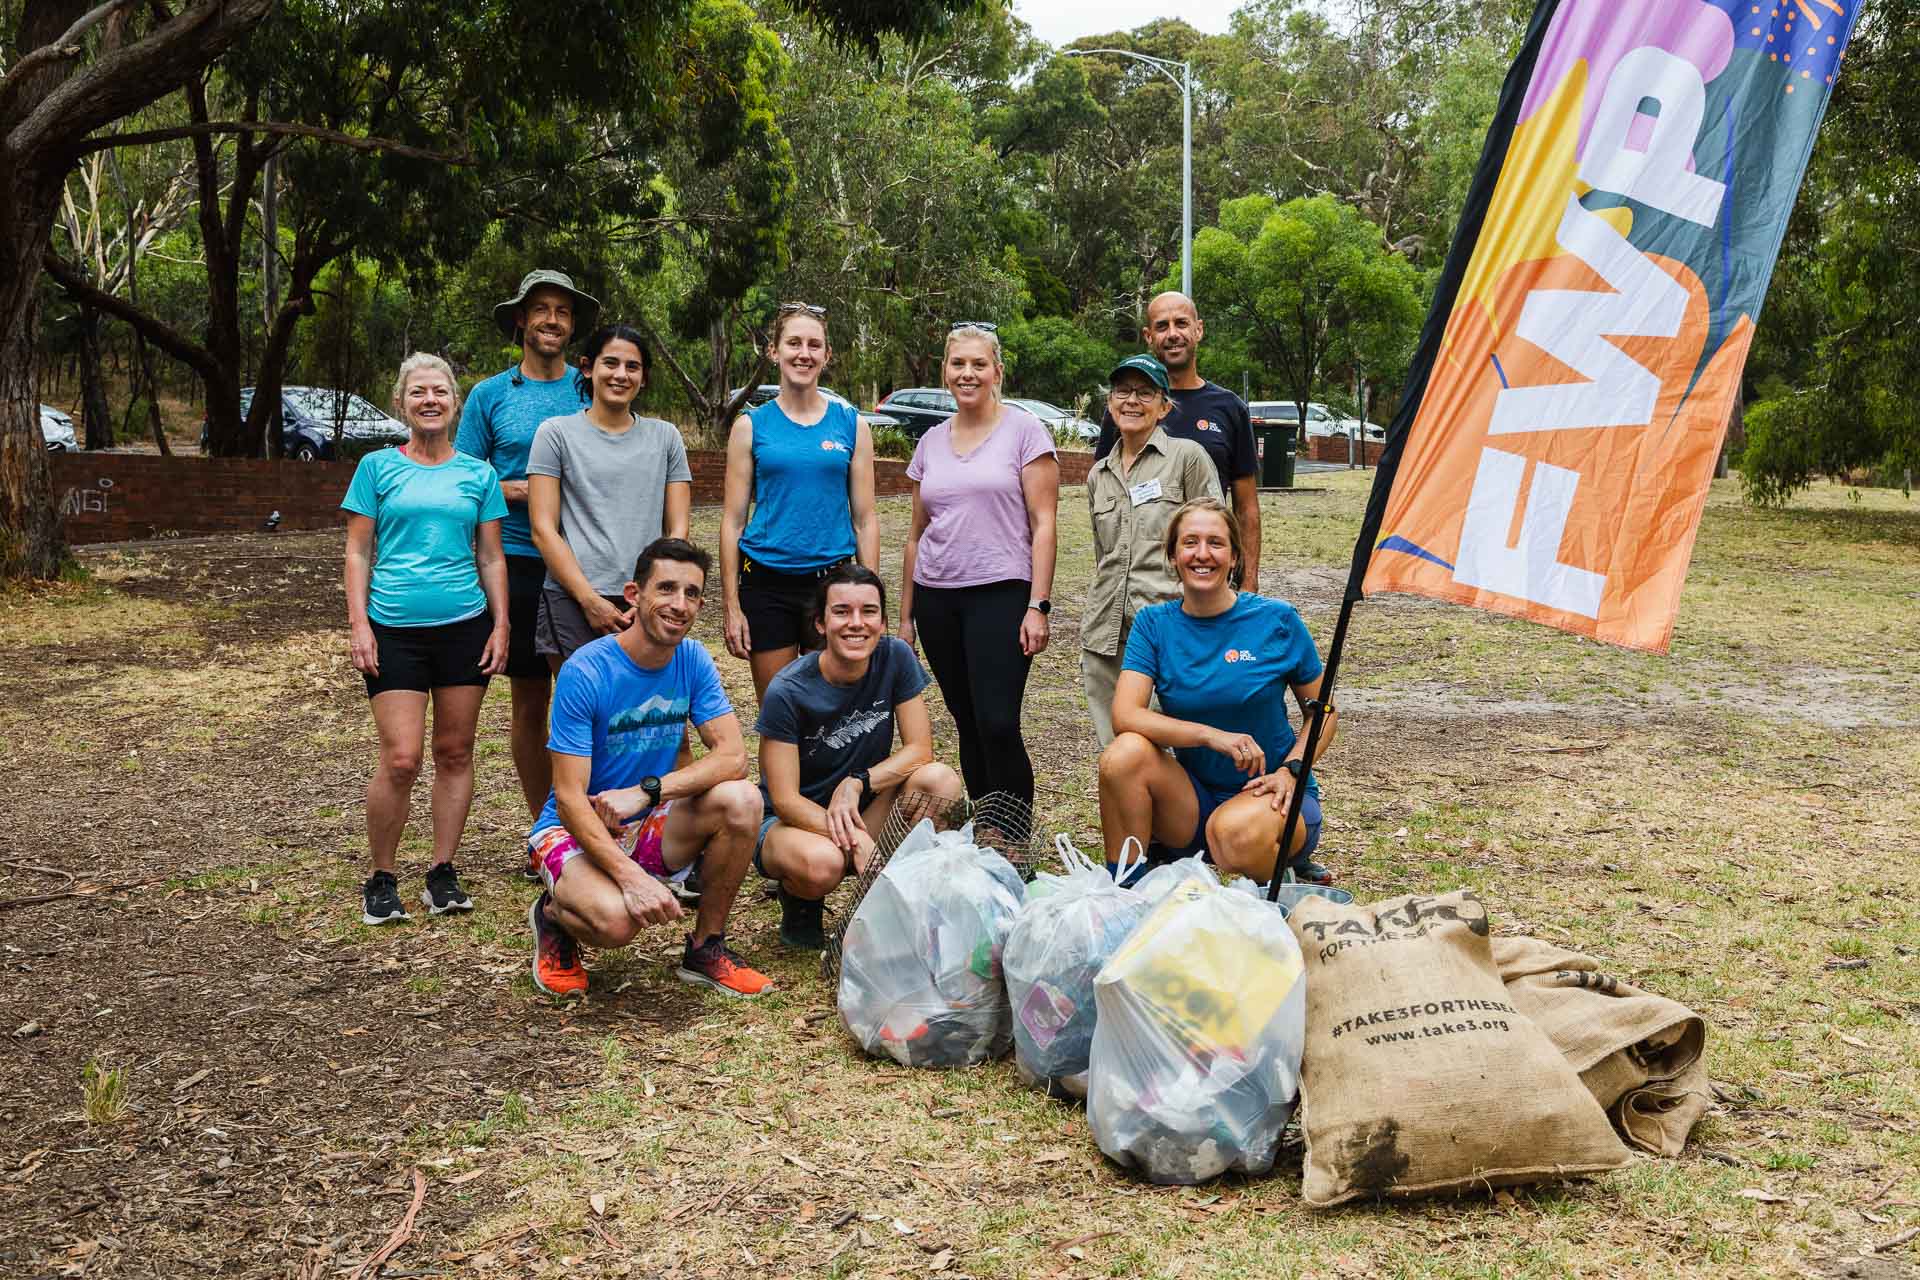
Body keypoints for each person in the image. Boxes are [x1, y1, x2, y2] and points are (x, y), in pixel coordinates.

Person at [525, 538, 773, 999]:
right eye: (666, 588)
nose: (680, 605)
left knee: (742, 798)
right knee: (619, 923)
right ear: (634, 595)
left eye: (693, 593)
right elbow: (569, 796)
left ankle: (706, 947)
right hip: (571, 828)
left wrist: (649, 791)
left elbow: (733, 757)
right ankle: (554, 916)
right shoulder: (587, 671)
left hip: (647, 818)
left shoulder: (693, 659)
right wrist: (632, 877)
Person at [343, 353, 510, 924]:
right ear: (401, 403)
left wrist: (502, 623)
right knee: (402, 757)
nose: (430, 400)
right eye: (418, 392)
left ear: (455, 401)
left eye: (440, 391)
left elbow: (490, 556)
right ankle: (382, 875)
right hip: (393, 629)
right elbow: (358, 551)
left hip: (465, 627)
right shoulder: (376, 468)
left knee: (455, 751)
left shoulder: (477, 474)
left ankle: (442, 870)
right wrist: (359, 623)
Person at [1098, 497, 1339, 884]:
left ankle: (1281, 886)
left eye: (1216, 543)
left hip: (1274, 795)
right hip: (1194, 804)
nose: (1202, 554)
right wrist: (1211, 737)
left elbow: (1323, 712)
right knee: (1123, 754)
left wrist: (1291, 772)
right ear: (1173, 556)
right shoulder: (1153, 624)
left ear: (1234, 556)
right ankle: (1123, 893)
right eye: (1190, 542)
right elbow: (1125, 715)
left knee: (1233, 834)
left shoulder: (1276, 620)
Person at [456, 269, 600, 849]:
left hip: (584, 560)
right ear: (520, 319)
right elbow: (464, 477)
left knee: (587, 695)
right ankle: (549, 826)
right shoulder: (490, 396)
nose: (551, 321)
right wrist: (527, 490)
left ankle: (598, 817)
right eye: (540, 309)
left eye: (562, 312)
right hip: (515, 560)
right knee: (529, 699)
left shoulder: (588, 390)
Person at [754, 564, 962, 949]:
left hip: (862, 807)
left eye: (868, 612)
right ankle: (801, 898)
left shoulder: (895, 656)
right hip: (795, 823)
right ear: (819, 623)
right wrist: (854, 841)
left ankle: (904, 901)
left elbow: (920, 749)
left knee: (940, 781)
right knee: (823, 864)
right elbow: (784, 800)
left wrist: (859, 782)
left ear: (882, 622)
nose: (856, 623)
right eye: (841, 612)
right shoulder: (787, 690)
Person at [898, 323, 1058, 817]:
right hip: (936, 597)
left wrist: (1038, 605)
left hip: (1002, 593)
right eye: (958, 364)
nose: (967, 373)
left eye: (978, 364)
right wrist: (905, 619)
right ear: (946, 372)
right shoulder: (929, 442)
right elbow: (915, 535)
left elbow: (1045, 524)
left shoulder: (1025, 431)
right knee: (966, 719)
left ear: (997, 372)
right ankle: (986, 821)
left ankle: (1011, 833)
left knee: (997, 721)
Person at [721, 303, 879, 703]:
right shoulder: (750, 426)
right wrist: (731, 605)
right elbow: (733, 521)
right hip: (766, 583)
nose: (803, 353)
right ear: (773, 351)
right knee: (778, 707)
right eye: (793, 343)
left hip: (832, 584)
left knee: (831, 706)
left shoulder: (851, 424)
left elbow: (864, 519)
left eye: (814, 345)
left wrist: (869, 595)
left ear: (827, 355)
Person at [528, 322, 691, 667]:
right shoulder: (555, 434)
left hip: (649, 598)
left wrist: (652, 593)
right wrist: (589, 601)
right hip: (572, 597)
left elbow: (678, 530)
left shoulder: (666, 438)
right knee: (582, 709)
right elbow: (543, 529)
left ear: (644, 377)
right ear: (588, 368)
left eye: (632, 367)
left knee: (644, 710)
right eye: (610, 363)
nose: (621, 375)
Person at [1080, 354, 1221, 748]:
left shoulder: (1186, 457)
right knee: (1117, 750)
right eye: (1122, 391)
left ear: (1164, 406)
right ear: (1109, 404)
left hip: (1169, 628)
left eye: (1145, 392)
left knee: (1173, 747)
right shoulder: (1098, 475)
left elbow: (1216, 538)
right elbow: (1103, 555)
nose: (1131, 401)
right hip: (1106, 634)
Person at [1093, 292, 1262, 585]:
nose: (1173, 334)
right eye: (1162, 326)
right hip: (1141, 582)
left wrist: (1248, 582)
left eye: (1181, 323)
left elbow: (1246, 507)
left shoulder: (1230, 408)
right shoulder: (1127, 412)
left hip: (1205, 573)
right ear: (1148, 336)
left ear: (1199, 329)